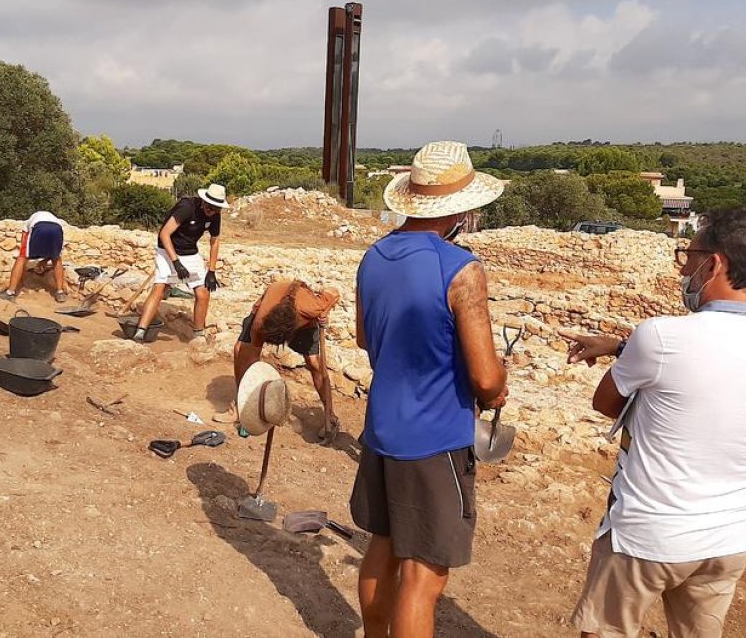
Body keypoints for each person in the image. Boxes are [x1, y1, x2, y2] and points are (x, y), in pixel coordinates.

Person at [562, 208, 746, 638]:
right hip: (725, 541)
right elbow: (711, 382)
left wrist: (629, 354)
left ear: (715, 263)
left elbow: (606, 402)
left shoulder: (661, 335)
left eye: (688, 256)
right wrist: (620, 346)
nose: (683, 268)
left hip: (647, 535)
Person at [351, 141, 508, 638]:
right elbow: (485, 377)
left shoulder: (373, 257)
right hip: (435, 438)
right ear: (459, 209)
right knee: (424, 574)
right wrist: (498, 389)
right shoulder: (461, 269)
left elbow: (362, 337)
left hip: (382, 428)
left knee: (382, 542)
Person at [230, 279, 340, 439]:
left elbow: (333, 292)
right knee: (241, 351)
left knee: (315, 364)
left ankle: (330, 415)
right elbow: (249, 359)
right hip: (265, 313)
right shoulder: (259, 323)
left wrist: (325, 311)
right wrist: (248, 412)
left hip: (304, 322)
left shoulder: (311, 307)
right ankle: (243, 406)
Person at [132, 183, 227, 341]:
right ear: (204, 201)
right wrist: (176, 263)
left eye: (217, 209)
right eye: (210, 208)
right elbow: (164, 234)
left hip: (190, 253)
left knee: (203, 292)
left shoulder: (215, 215)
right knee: (160, 287)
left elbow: (214, 241)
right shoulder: (187, 207)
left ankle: (198, 335)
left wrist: (211, 271)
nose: (212, 212)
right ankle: (140, 331)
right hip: (167, 250)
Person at [0, 210, 71, 303]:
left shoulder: (27, 223)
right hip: (57, 229)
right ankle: (60, 293)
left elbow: (23, 245)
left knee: (21, 258)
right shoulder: (55, 219)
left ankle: (10, 293)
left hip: (38, 227)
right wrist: (45, 260)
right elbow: (52, 251)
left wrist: (25, 262)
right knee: (56, 259)